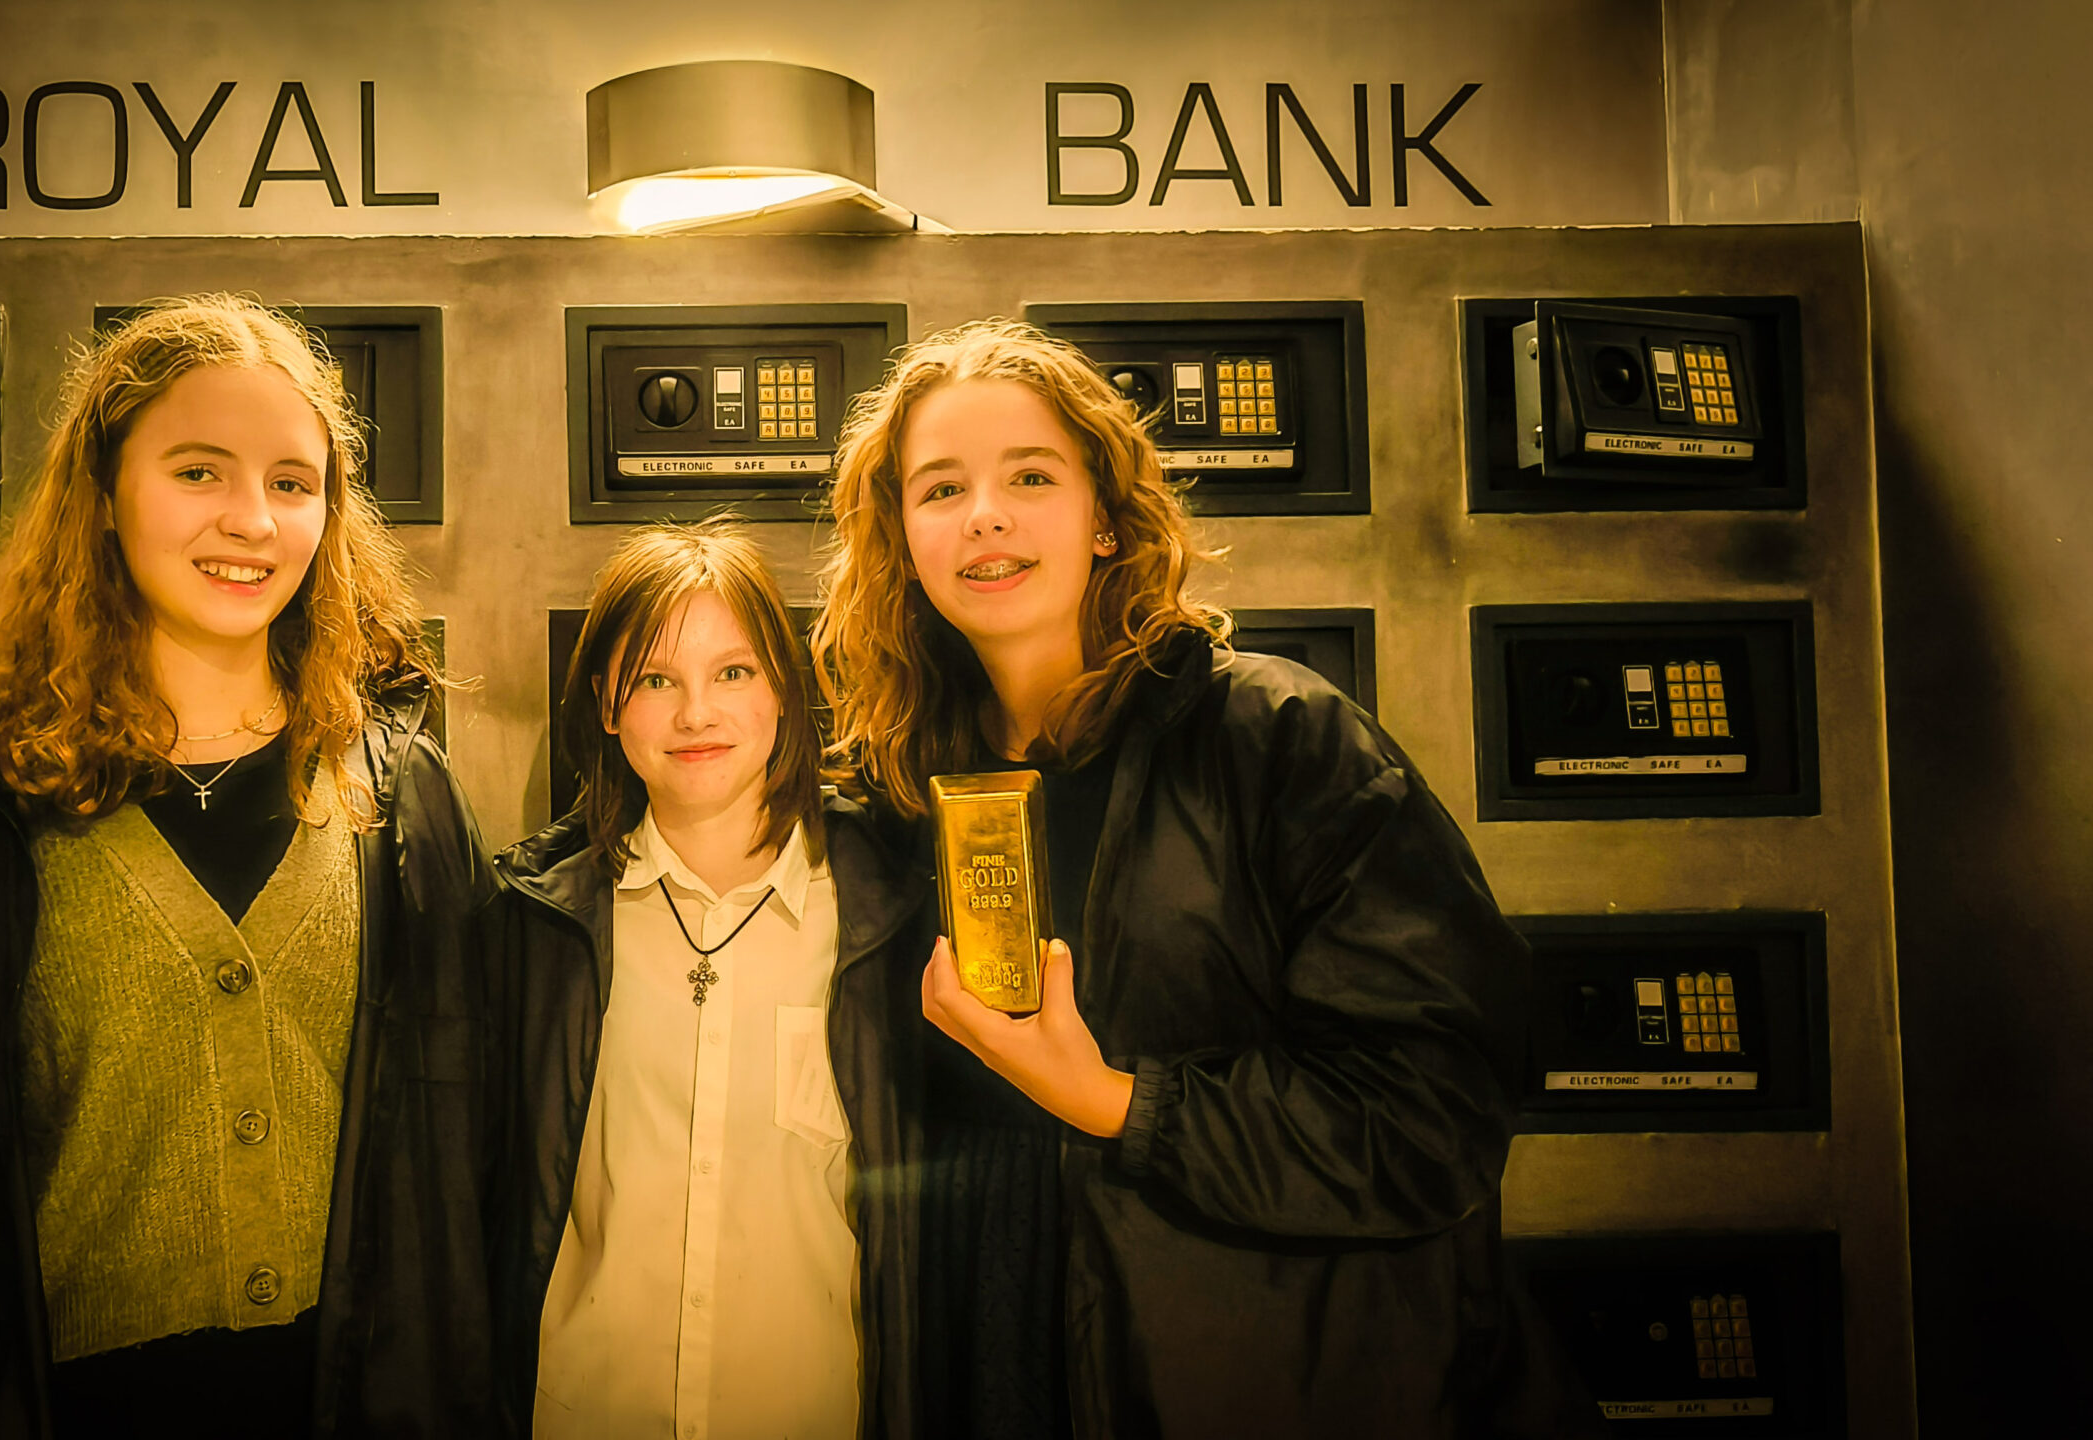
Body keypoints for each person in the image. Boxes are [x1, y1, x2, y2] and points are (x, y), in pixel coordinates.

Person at [810, 319, 1585, 1438]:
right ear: (903, 543)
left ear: (1107, 520)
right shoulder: (892, 793)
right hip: (986, 1349)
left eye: (1030, 476)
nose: (984, 513)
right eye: (941, 489)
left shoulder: (1278, 739)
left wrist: (1118, 1103)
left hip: (1265, 1378)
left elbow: (1435, 1117)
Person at [0, 295, 492, 1438]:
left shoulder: (402, 795)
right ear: (104, 493)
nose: (251, 520)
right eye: (199, 471)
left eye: (291, 482)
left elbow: (467, 1158)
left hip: (359, 1401)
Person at [482, 520, 925, 1439]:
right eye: (655, 680)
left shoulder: (887, 920)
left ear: (782, 690)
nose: (696, 714)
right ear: (607, 704)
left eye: (732, 672)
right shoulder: (534, 928)